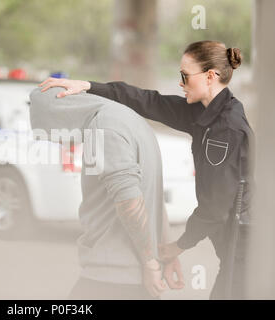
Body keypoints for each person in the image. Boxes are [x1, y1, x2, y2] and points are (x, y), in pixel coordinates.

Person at [39, 40, 254, 299]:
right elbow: (148, 101)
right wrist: (89, 86)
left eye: (185, 76)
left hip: (246, 250)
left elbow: (215, 208)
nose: (180, 83)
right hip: (235, 248)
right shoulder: (204, 113)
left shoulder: (225, 129)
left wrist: (177, 247)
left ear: (210, 76)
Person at [29, 87, 184, 299]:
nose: (60, 142)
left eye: (53, 134)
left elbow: (130, 201)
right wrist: (166, 254)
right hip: (133, 278)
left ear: (59, 118)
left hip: (112, 278)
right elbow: (153, 197)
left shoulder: (103, 128)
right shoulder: (130, 118)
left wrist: (150, 264)